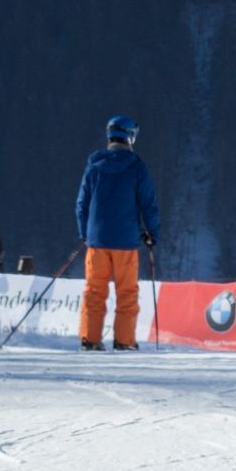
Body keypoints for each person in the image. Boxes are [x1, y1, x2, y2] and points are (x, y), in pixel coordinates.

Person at [75, 114, 160, 351]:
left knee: (94, 291)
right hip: (125, 240)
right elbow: (148, 204)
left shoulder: (94, 165)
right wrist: (152, 233)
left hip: (97, 240)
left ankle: (90, 339)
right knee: (127, 293)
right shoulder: (136, 167)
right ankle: (124, 341)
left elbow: (82, 203)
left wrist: (85, 233)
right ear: (130, 137)